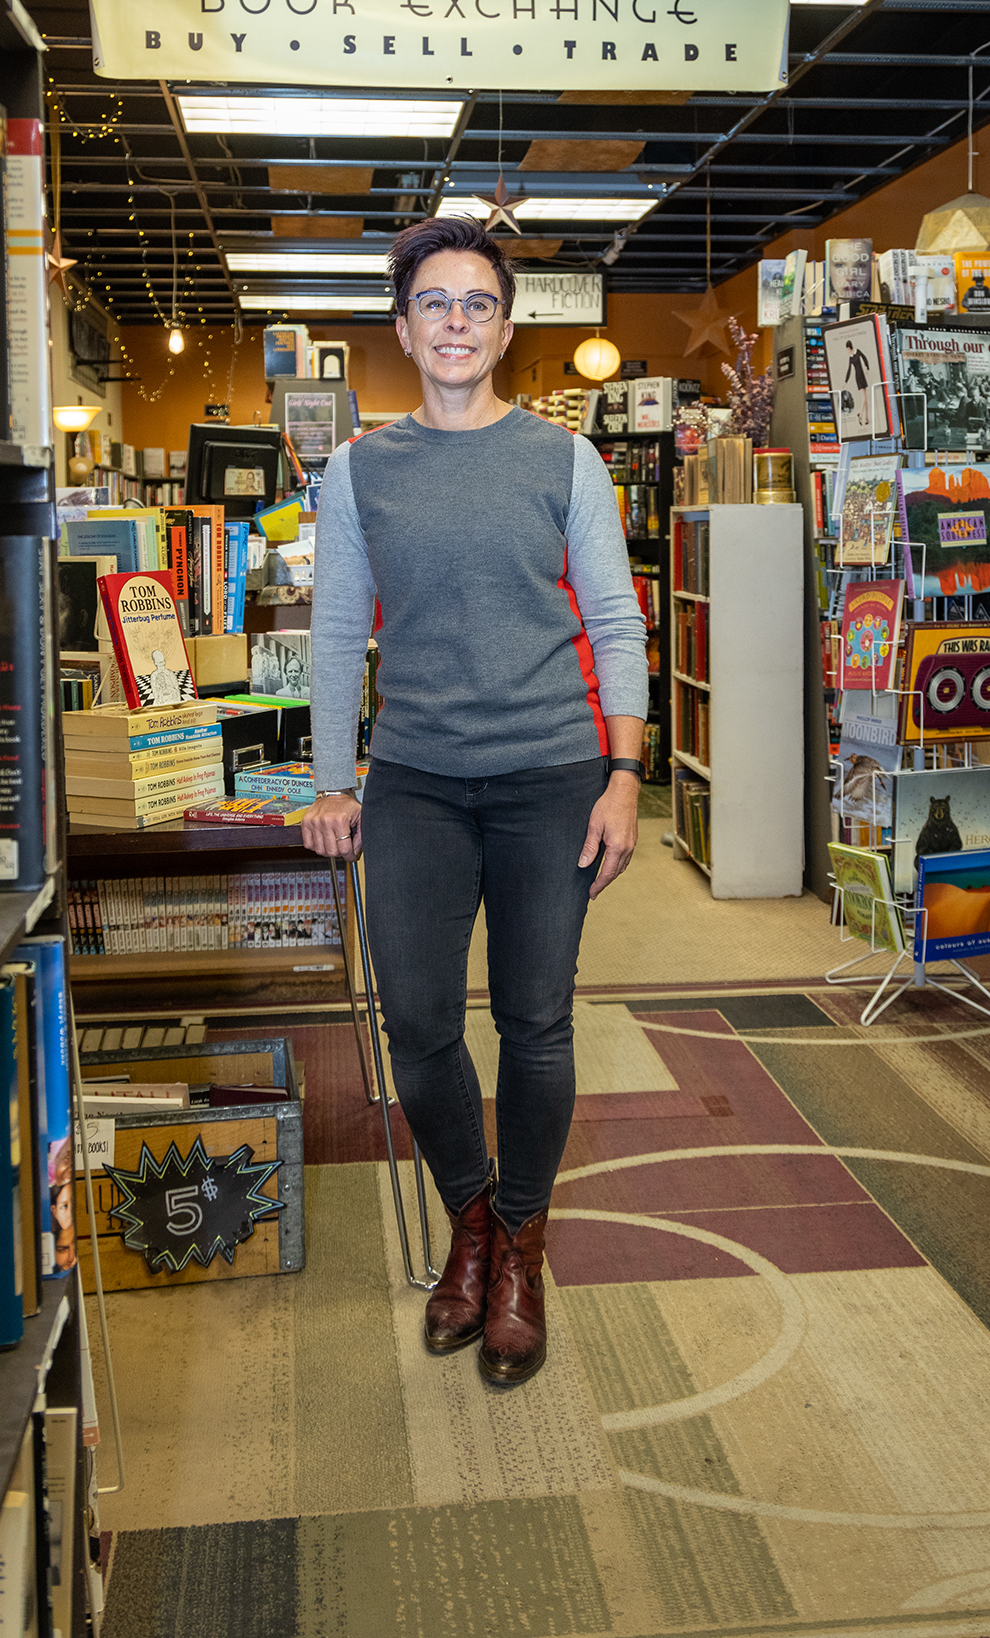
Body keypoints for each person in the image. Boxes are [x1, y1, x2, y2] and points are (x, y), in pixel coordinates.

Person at [302, 216, 649, 1387]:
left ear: (504, 329)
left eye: (476, 303)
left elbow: (615, 622)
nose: (455, 321)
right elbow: (337, 633)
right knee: (416, 1019)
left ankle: (520, 1245)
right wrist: (331, 778)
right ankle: (471, 1219)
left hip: (551, 773)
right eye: (433, 302)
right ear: (402, 330)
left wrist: (624, 775)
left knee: (534, 1019)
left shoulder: (565, 460)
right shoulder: (358, 471)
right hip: (415, 778)